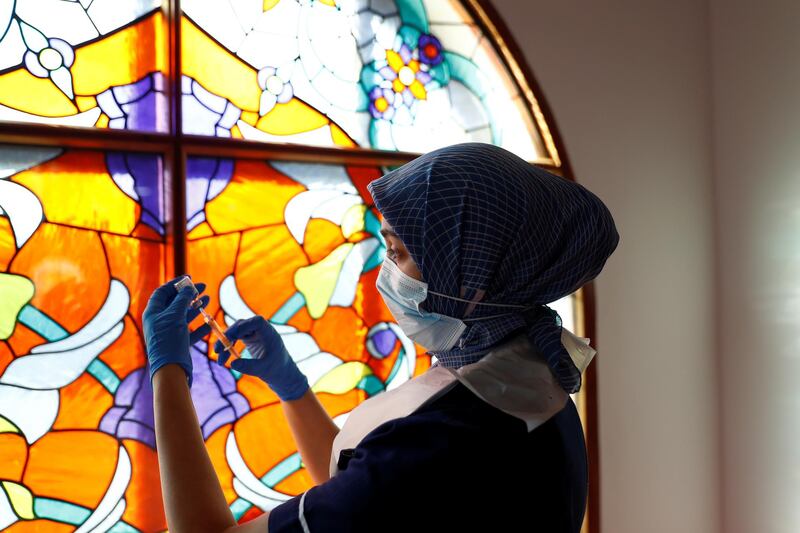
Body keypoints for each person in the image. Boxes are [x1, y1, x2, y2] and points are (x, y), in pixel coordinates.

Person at [143, 142, 620, 532]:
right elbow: (365, 491)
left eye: (398, 251)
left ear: (472, 272)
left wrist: (166, 372)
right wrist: (291, 388)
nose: (385, 273)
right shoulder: (530, 380)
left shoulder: (444, 441)